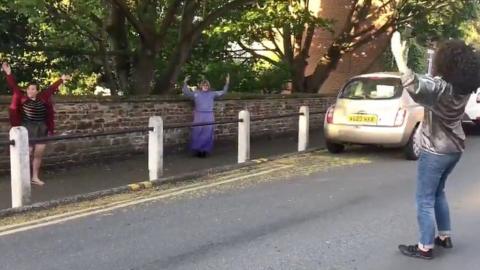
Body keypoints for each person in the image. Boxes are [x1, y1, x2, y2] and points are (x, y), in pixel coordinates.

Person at [391, 32, 480, 260]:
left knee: (424, 199)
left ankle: (425, 247)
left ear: (444, 62)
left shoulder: (440, 88)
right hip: (455, 149)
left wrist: (399, 58)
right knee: (438, 192)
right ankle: (444, 236)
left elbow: (413, 84)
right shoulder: (462, 88)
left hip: (435, 151)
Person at [2, 62, 71, 186]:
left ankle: (35, 177)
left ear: (37, 91)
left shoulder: (43, 97)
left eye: (33, 89)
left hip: (41, 128)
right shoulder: (22, 97)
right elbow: (14, 87)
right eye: (28, 89)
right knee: (26, 153)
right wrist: (8, 73)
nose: (30, 91)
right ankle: (23, 178)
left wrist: (61, 79)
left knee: (38, 154)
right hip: (27, 128)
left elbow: (51, 88)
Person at [182, 74, 230, 157]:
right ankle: (197, 150)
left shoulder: (212, 94)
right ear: (201, 86)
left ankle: (204, 150)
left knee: (207, 133)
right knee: (197, 132)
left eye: (207, 85)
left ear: (208, 86)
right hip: (199, 115)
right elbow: (186, 93)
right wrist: (185, 82)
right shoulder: (196, 94)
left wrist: (227, 83)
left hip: (209, 115)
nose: (205, 86)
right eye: (204, 85)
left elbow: (223, 92)